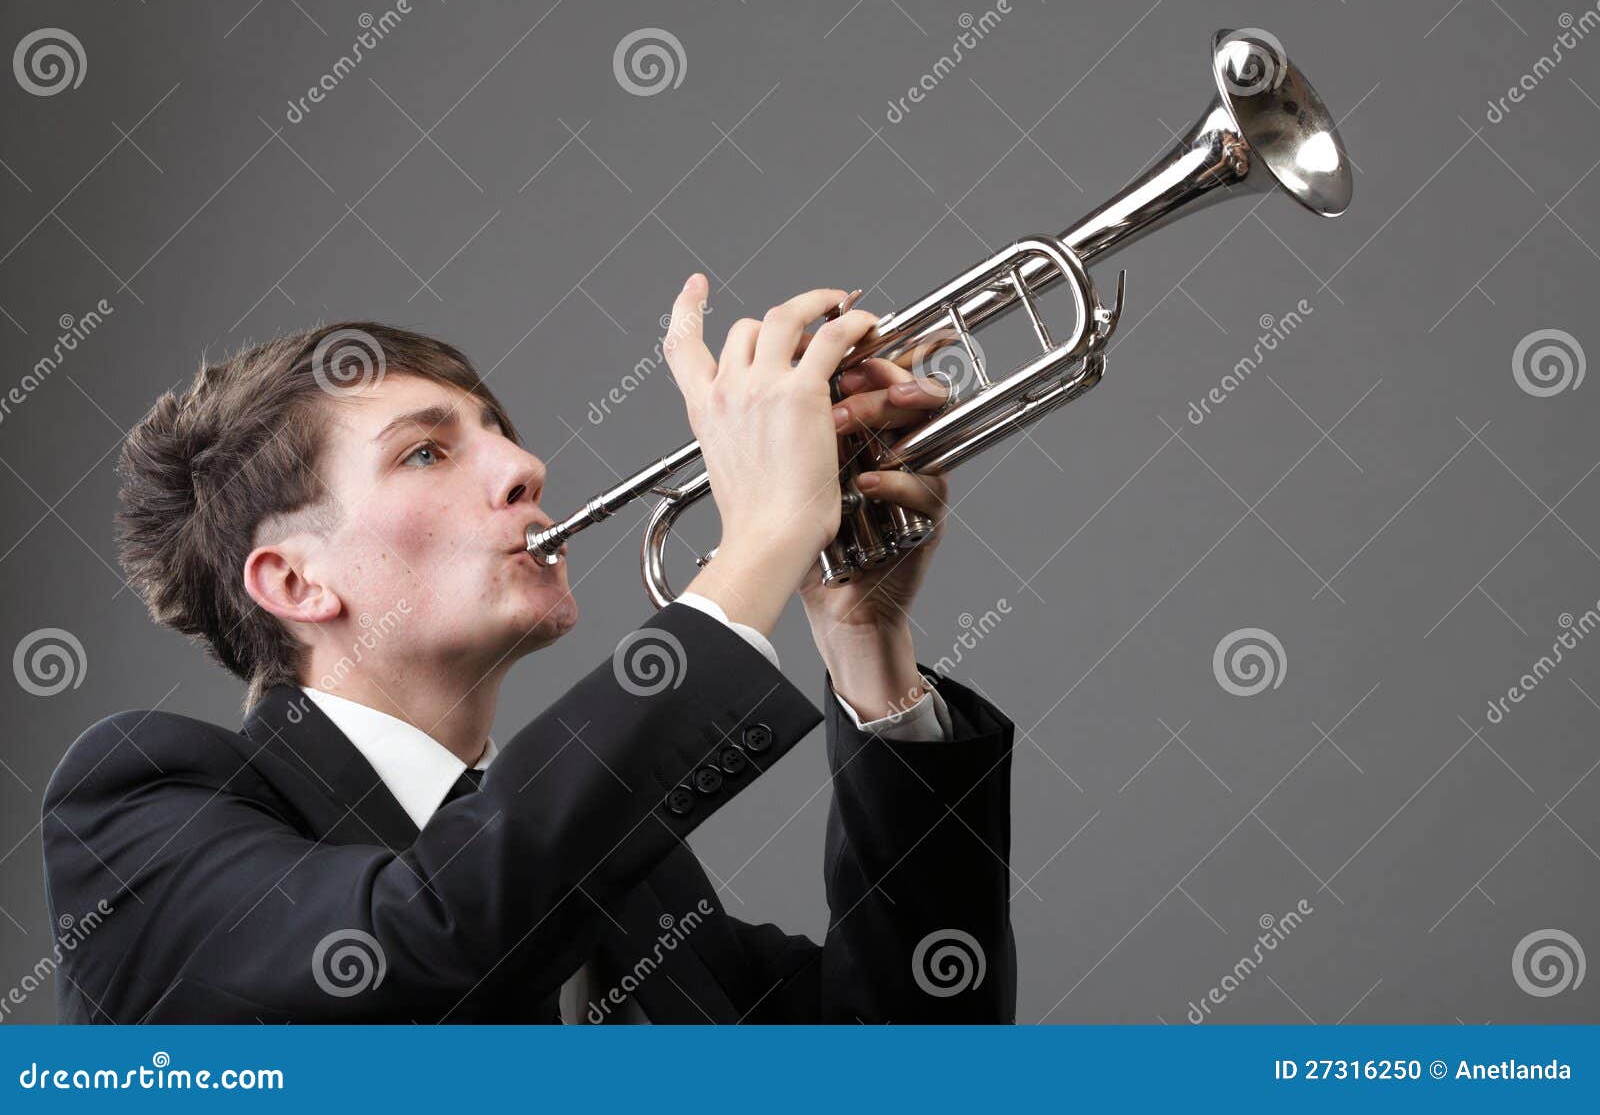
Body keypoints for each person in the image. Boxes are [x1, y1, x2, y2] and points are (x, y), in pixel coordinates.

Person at [41, 276, 1018, 1023]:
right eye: (426, 450)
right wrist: (762, 538)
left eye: (500, 435)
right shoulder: (141, 813)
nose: (524, 466)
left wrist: (864, 635)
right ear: (296, 583)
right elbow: (416, 949)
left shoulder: (636, 888)